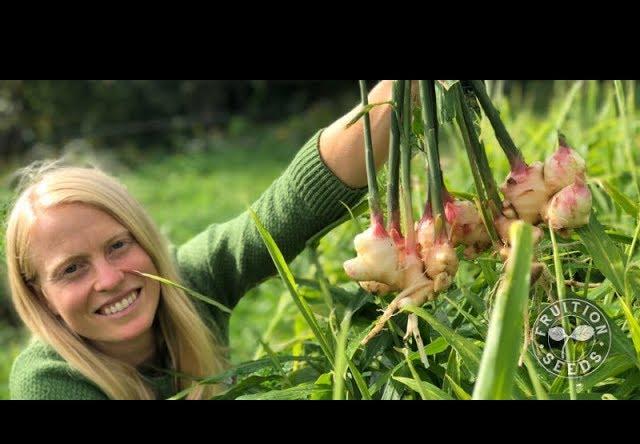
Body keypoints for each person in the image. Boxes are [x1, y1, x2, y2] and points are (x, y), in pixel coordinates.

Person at [5, 80, 396, 400]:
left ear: (144, 239)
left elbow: (293, 204)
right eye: (72, 269)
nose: (108, 279)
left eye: (118, 246)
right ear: (39, 296)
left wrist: (404, 91)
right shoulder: (47, 381)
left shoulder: (187, 284)